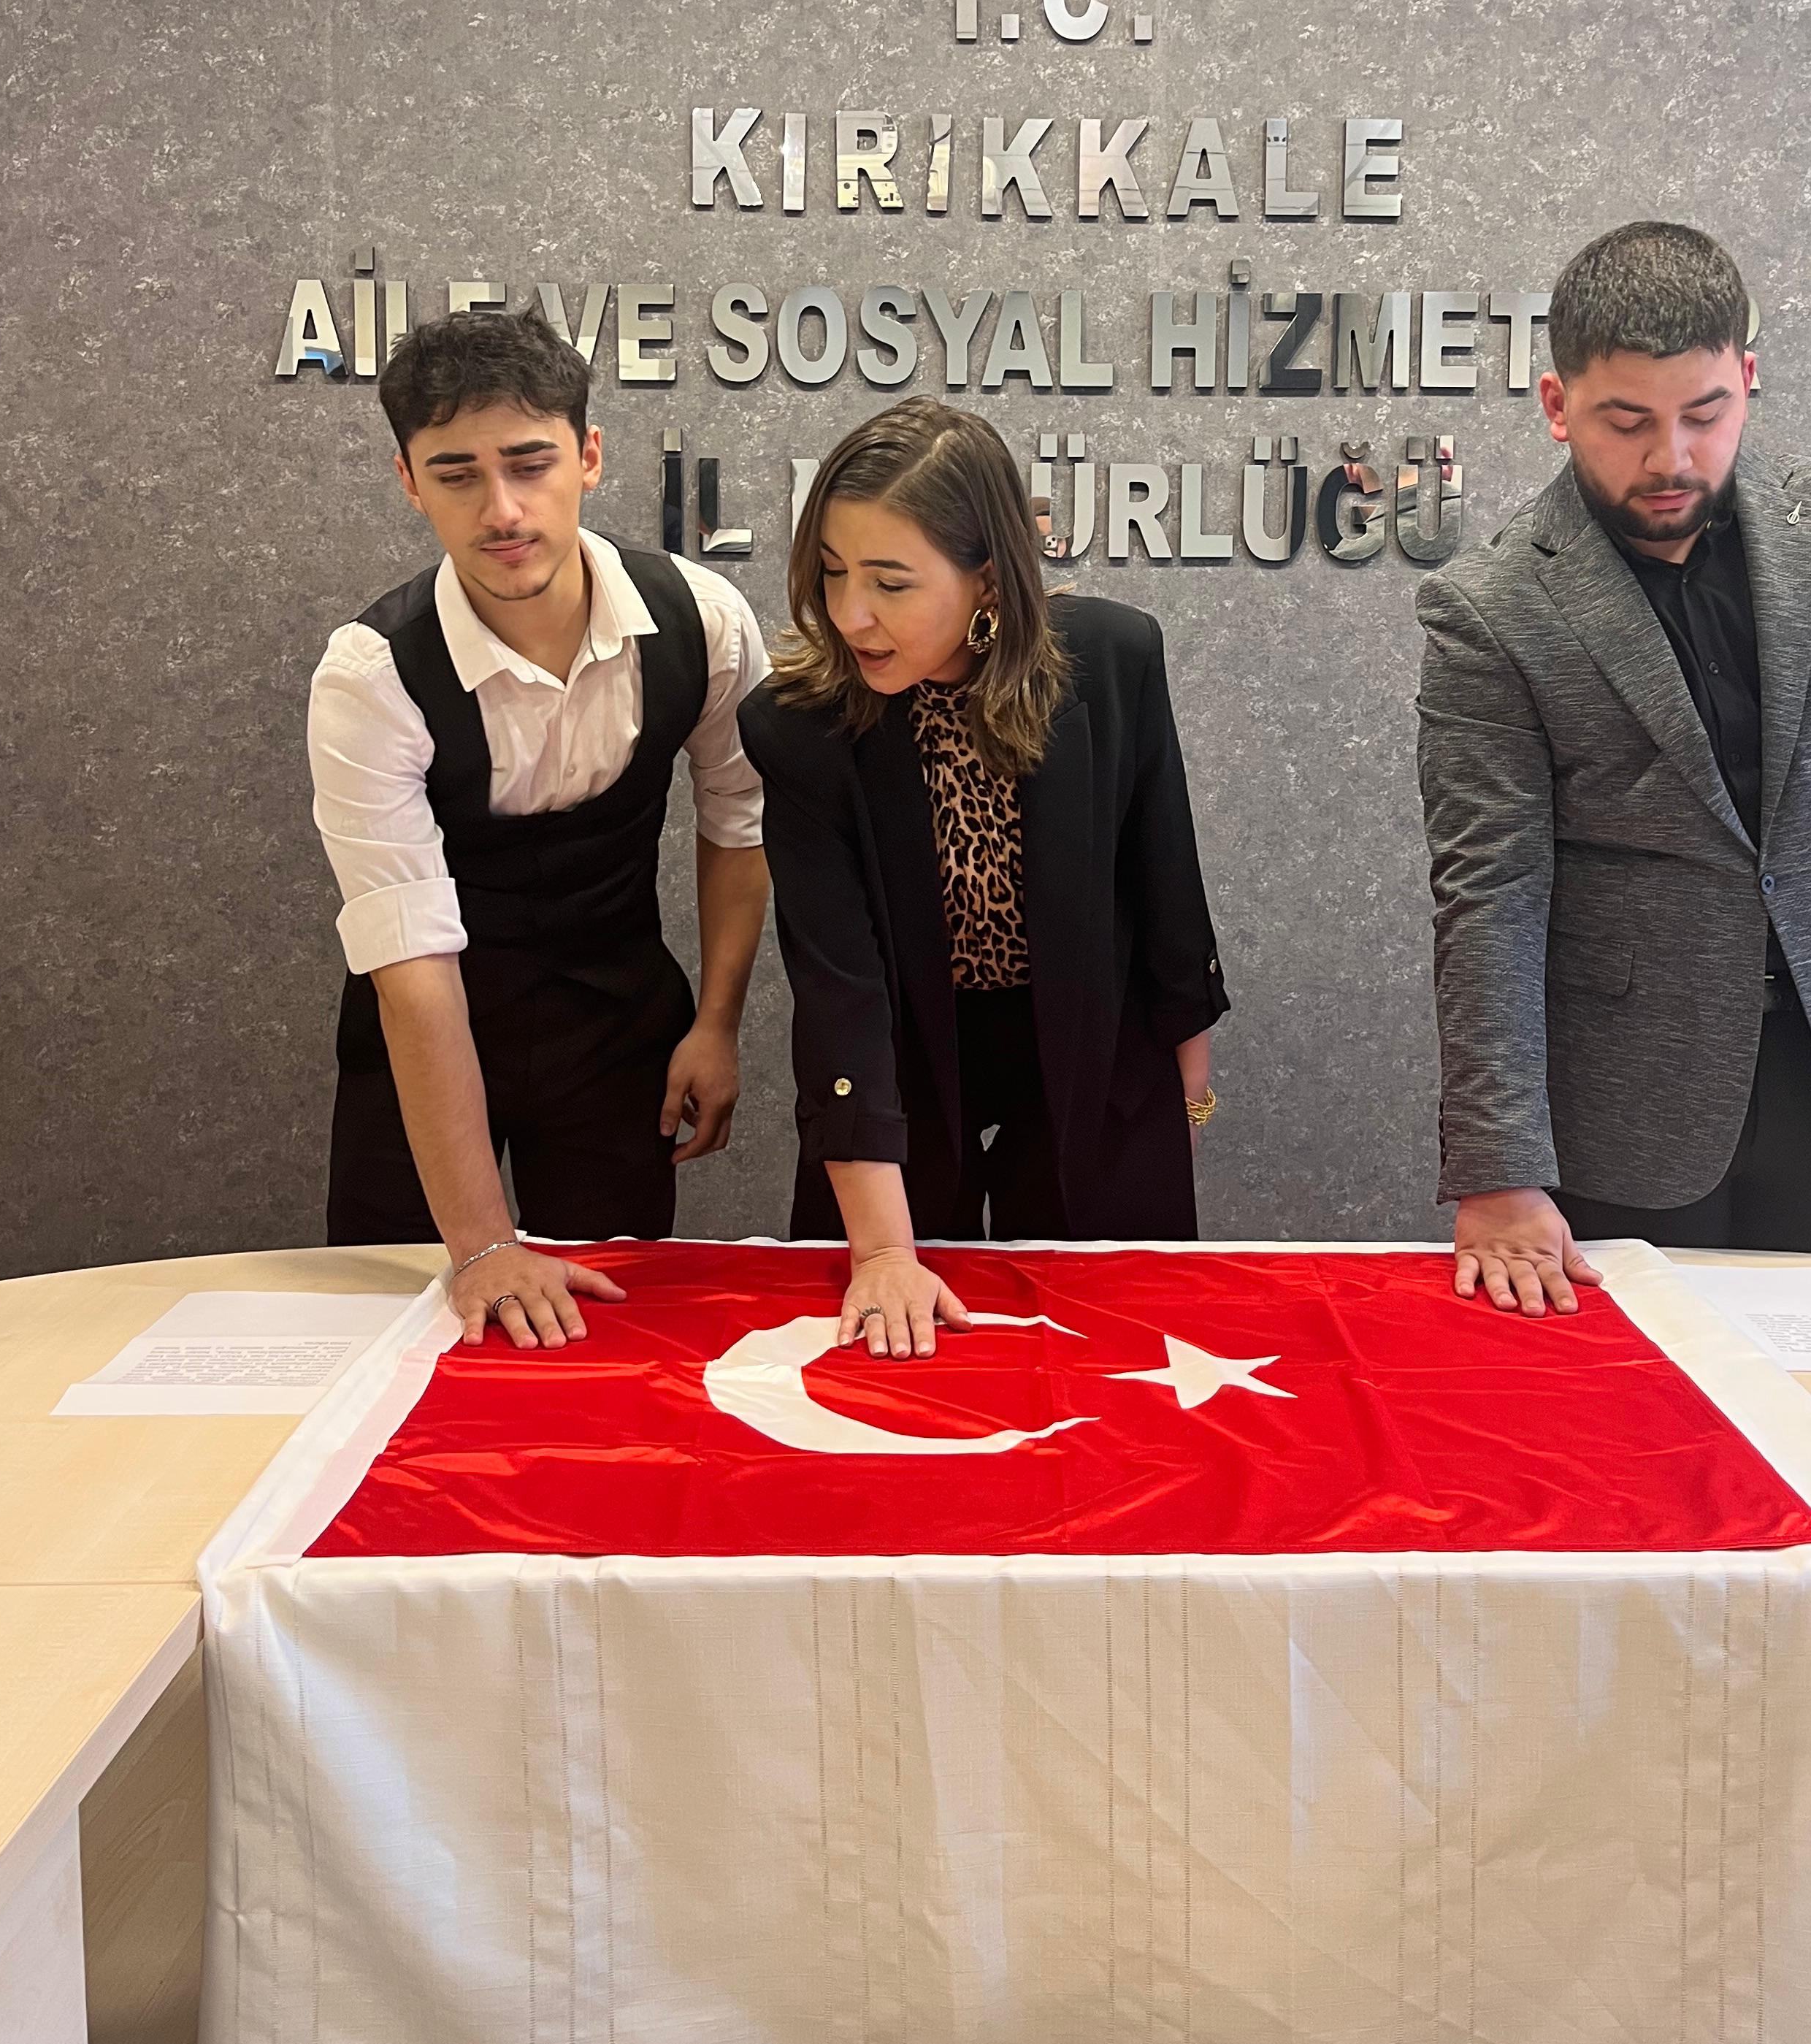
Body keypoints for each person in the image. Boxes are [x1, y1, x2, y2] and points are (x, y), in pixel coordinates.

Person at [1417, 221, 1811, 1318]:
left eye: (1705, 415)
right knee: (1639, 1406)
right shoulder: (1489, 608)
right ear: (1557, 405)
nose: (1672, 458)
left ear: (1747, 379)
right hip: (1625, 1113)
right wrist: (1498, 1169)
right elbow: (1488, 896)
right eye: (1627, 422)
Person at [310, 307, 770, 1351]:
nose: (503, 510)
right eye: (458, 475)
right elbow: (410, 960)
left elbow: (738, 825)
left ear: (588, 456)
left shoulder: (702, 621)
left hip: (617, 1029)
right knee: (408, 1341)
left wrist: (718, 1024)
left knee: (612, 1336)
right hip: (425, 1030)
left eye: (530, 464)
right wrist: (480, 1244)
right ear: (409, 481)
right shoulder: (370, 675)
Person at [739, 401, 1228, 1362]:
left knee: (1111, 1345)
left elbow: (1164, 882)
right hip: (903, 1055)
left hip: (1091, 1041)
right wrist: (884, 1251)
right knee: (900, 1350)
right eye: (832, 572)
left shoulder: (1112, 660)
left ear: (989, 578)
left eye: (890, 582)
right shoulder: (797, 724)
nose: (850, 615)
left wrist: (1188, 1096)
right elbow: (840, 987)